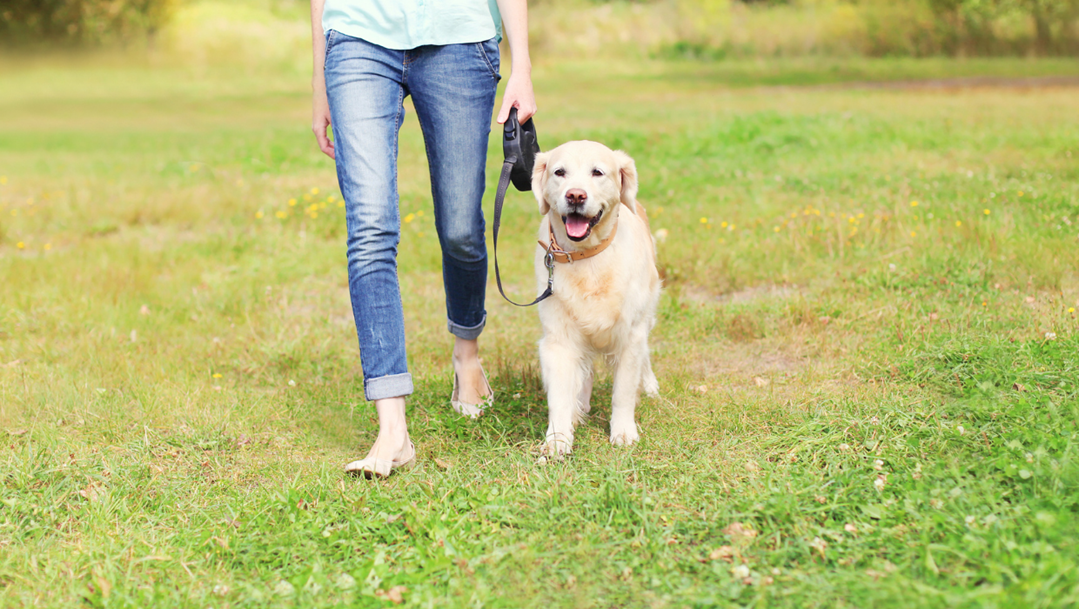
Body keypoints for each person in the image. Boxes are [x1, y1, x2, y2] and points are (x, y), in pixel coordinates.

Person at [309, 0, 537, 478]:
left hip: (458, 35)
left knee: (460, 228)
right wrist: (319, 78)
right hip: (357, 36)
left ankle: (467, 354)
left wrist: (524, 65)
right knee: (370, 227)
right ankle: (392, 430)